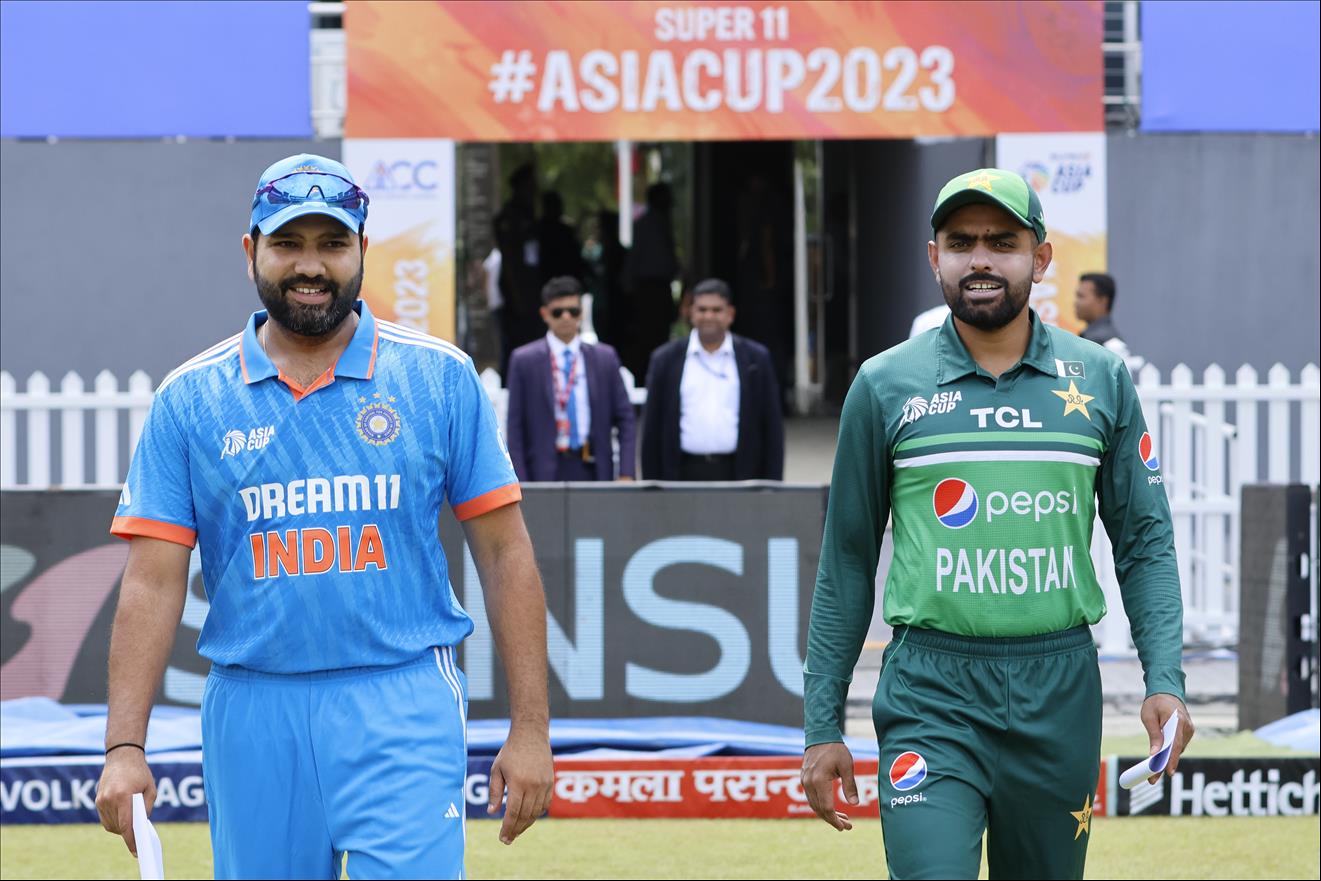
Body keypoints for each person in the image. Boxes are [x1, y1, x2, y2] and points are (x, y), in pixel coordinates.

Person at [94, 154, 554, 879]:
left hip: (401, 699)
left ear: (364, 250)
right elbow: (152, 582)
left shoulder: (437, 377)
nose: (311, 266)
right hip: (252, 710)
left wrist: (530, 728)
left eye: (332, 244)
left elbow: (505, 554)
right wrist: (125, 746)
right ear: (251, 252)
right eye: (288, 244)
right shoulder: (191, 397)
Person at [800, 168, 1194, 879]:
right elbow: (848, 560)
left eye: (1001, 241)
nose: (979, 258)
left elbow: (1143, 540)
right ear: (934, 257)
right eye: (961, 242)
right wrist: (821, 724)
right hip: (930, 691)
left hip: (1059, 689)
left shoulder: (1099, 378)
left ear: (1040, 258)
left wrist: (1163, 677)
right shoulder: (884, 384)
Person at [641, 278, 784, 481]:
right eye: (702, 309)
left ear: (730, 314)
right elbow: (651, 430)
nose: (709, 316)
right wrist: (651, 487)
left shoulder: (755, 359)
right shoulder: (665, 360)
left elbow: (772, 427)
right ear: (691, 312)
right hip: (681, 475)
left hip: (740, 474)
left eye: (717, 310)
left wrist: (773, 487)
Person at [506, 276, 637, 482]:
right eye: (558, 312)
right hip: (543, 471)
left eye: (573, 311)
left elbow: (626, 418)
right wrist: (518, 479)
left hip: (593, 466)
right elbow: (515, 427)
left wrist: (627, 472)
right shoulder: (524, 361)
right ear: (545, 314)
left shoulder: (604, 358)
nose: (566, 317)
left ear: (581, 313)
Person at [621, 182, 680, 382]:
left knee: (661, 333)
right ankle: (648, 377)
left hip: (661, 286)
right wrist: (629, 289)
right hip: (648, 288)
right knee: (649, 335)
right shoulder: (645, 225)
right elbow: (635, 258)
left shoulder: (664, 223)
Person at [494, 162, 544, 373]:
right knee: (517, 342)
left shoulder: (528, 214)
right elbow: (510, 258)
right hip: (517, 290)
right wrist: (517, 295)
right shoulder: (510, 216)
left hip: (531, 289)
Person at [1075, 271, 1145, 374]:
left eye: (1081, 296)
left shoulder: (1102, 341)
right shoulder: (1098, 336)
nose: (1075, 302)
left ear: (1102, 301)